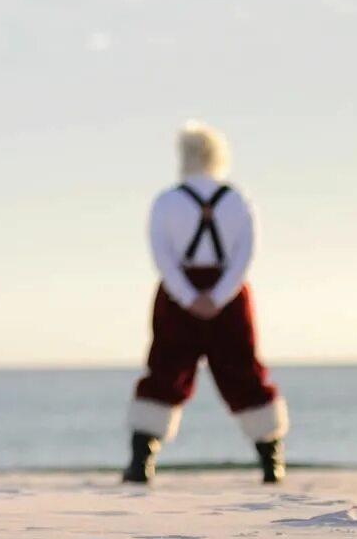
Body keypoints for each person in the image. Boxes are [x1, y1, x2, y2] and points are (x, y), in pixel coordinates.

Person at [124, 121, 289, 484]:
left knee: (164, 372)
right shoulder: (238, 200)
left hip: (177, 295)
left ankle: (141, 463)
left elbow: (161, 256)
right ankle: (271, 461)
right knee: (245, 372)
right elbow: (245, 255)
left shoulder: (166, 201)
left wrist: (186, 296)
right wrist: (219, 297)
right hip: (229, 297)